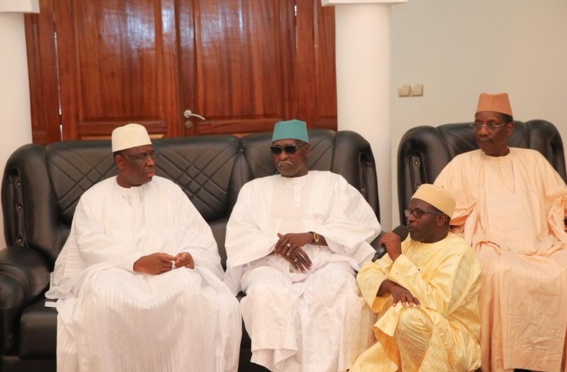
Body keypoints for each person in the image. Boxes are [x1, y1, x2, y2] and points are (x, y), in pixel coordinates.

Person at [46, 123, 242, 372]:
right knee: (104, 293)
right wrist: (137, 261)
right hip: (117, 274)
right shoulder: (94, 198)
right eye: (141, 157)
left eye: (151, 154)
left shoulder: (170, 191)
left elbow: (198, 236)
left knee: (189, 288)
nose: (150, 162)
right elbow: (88, 244)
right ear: (120, 162)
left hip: (169, 275)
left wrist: (190, 257)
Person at [434, 93, 567, 371]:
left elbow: (561, 199)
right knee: (496, 273)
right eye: (477, 124)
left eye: (491, 125)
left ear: (508, 129)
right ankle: (502, 361)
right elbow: (437, 205)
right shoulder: (461, 164)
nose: (482, 131)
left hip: (542, 242)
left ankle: (564, 359)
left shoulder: (533, 160)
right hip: (489, 245)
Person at [224, 119, 381, 372]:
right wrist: (279, 244)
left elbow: (362, 224)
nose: (282, 156)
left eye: (290, 149)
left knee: (339, 291)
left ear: (306, 150)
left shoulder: (333, 183)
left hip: (326, 262)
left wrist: (311, 236)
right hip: (269, 265)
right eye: (276, 150)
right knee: (266, 294)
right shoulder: (254, 190)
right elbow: (240, 235)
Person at [350, 184, 482, 372]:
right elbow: (368, 271)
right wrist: (390, 287)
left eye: (418, 213)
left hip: (450, 339)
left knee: (408, 316)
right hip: (398, 337)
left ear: (440, 219)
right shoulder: (408, 241)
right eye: (409, 212)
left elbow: (437, 303)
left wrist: (398, 258)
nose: (410, 218)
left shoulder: (459, 253)